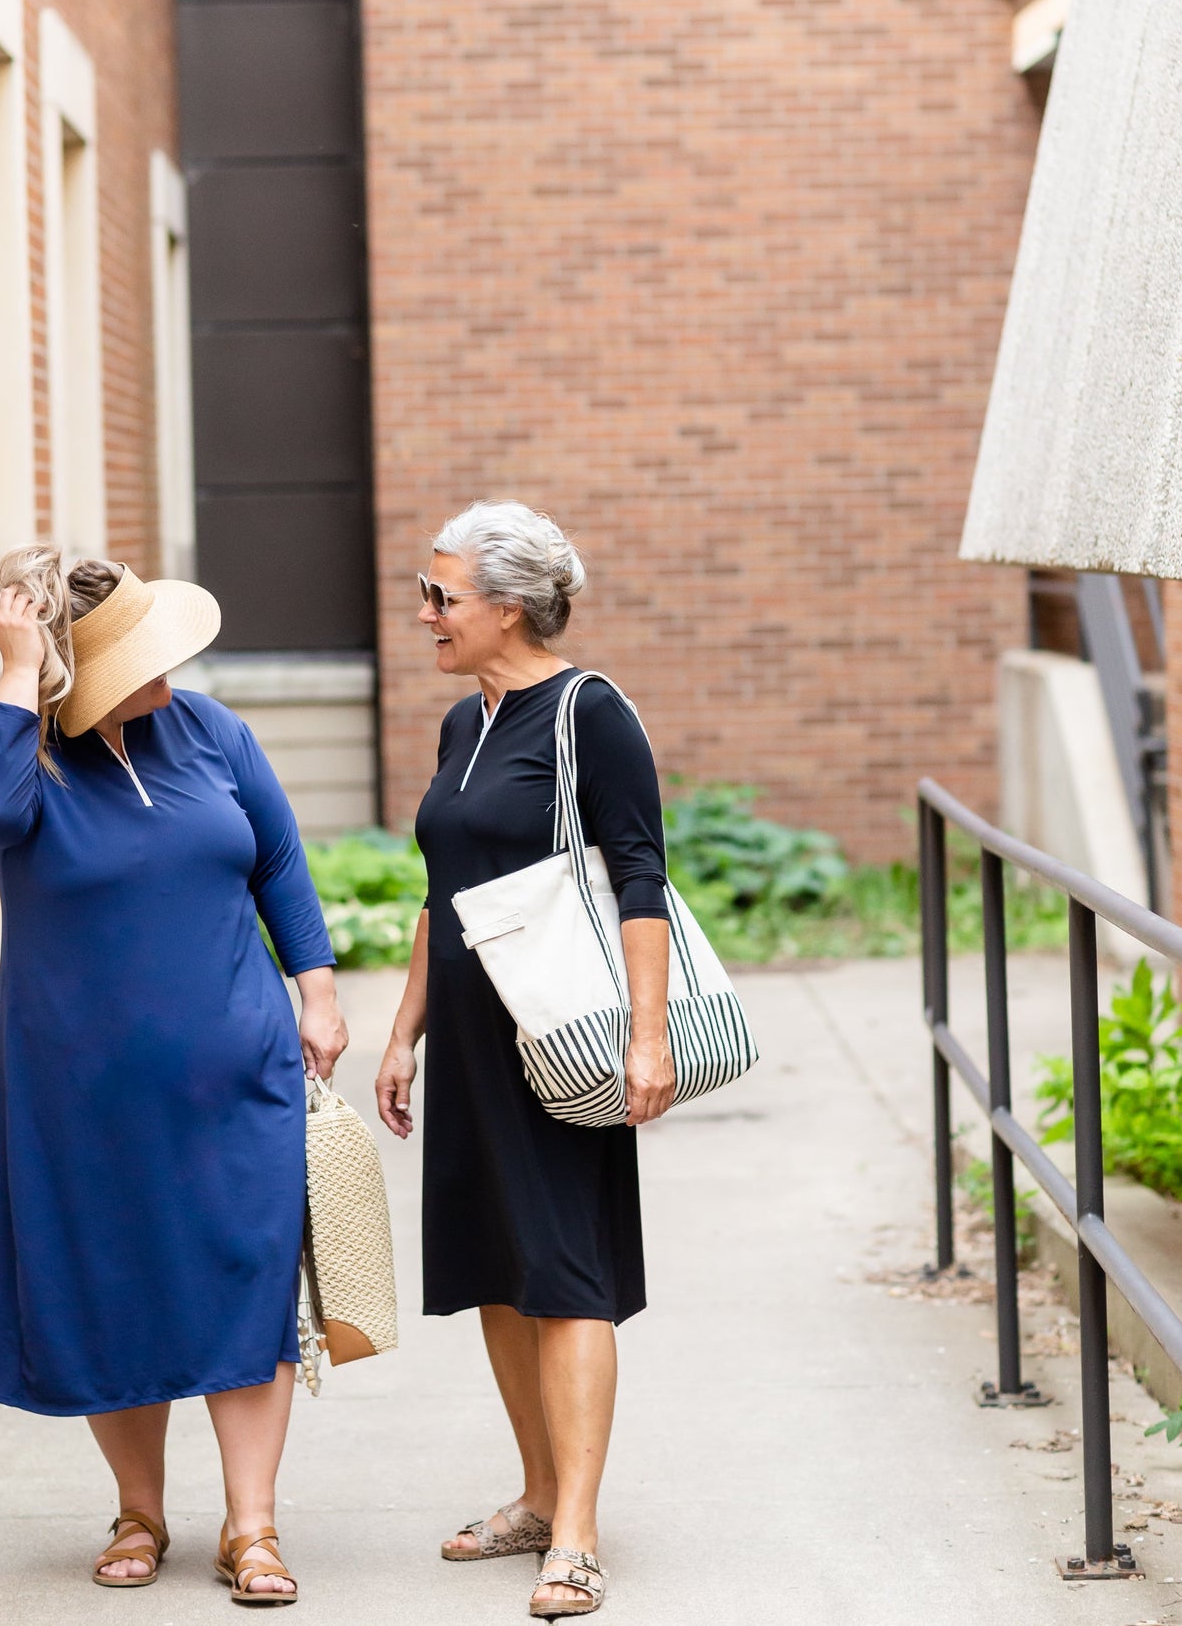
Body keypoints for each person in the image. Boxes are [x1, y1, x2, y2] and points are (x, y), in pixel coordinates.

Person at [0, 547, 346, 1604]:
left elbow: (277, 860)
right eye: (138, 656)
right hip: (78, 1089)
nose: (166, 668)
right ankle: (139, 1509)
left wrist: (316, 990)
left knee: (246, 1279)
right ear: (72, 674)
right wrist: (11, 669)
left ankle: (251, 1527)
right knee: (108, 1287)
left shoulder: (212, 731)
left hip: (238, 1068)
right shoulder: (25, 762)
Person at [375, 500, 675, 1620]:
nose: (424, 613)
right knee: (497, 1270)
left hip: (556, 1037)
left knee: (563, 1271)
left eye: (440, 595)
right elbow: (437, 892)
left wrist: (645, 1036)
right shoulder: (466, 722)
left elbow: (638, 876)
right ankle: (539, 1495)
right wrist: (402, 1031)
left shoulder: (589, 715)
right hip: (462, 1038)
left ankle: (581, 1537)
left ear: (506, 606)